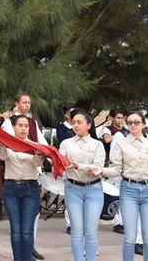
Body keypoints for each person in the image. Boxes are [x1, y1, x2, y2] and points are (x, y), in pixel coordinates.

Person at [93, 111, 148, 261]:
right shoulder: (121, 144)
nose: (133, 125)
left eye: (136, 122)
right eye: (130, 122)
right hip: (129, 189)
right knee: (130, 237)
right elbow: (116, 169)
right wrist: (101, 170)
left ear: (143, 124)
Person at [0, 93, 47, 261]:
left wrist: (39, 153)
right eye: (20, 125)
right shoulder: (9, 143)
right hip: (11, 187)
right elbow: (2, 157)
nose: (23, 128)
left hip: (30, 188)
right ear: (14, 127)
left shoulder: (34, 144)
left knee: (27, 230)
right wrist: (2, 144)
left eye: (26, 126)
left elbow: (36, 163)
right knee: (16, 229)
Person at [59, 109, 105, 261]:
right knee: (76, 230)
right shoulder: (66, 143)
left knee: (91, 231)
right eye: (74, 123)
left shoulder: (97, 145)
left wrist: (79, 166)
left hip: (94, 189)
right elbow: (61, 162)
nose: (76, 126)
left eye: (79, 122)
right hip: (73, 189)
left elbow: (97, 168)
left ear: (89, 125)